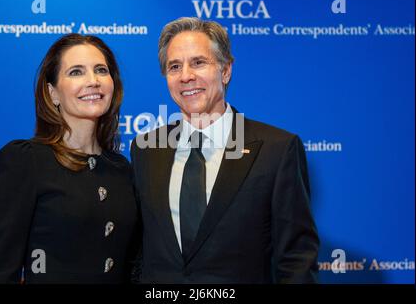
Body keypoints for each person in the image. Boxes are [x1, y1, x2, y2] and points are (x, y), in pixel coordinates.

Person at [130, 17, 319, 283]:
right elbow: (137, 250)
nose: (186, 76)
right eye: (175, 66)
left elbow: (296, 259)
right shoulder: (145, 150)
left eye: (198, 62)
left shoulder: (277, 150)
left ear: (226, 70)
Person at [0, 34, 139, 284]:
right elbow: (2, 272)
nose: (93, 81)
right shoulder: (25, 160)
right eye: (76, 72)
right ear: (52, 92)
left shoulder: (123, 169)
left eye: (101, 70)